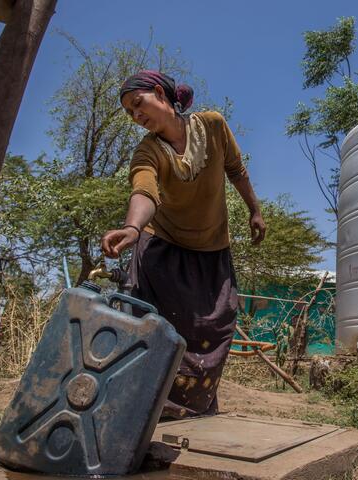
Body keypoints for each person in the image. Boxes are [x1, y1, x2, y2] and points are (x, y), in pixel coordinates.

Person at [101, 70, 266, 418]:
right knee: (156, 329)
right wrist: (132, 228)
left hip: (211, 251)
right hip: (162, 251)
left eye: (137, 104)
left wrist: (255, 210)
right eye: (130, 113)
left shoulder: (213, 126)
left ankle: (194, 408)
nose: (136, 116)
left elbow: (236, 170)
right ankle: (148, 413)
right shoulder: (147, 151)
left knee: (213, 327)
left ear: (160, 93)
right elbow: (143, 189)